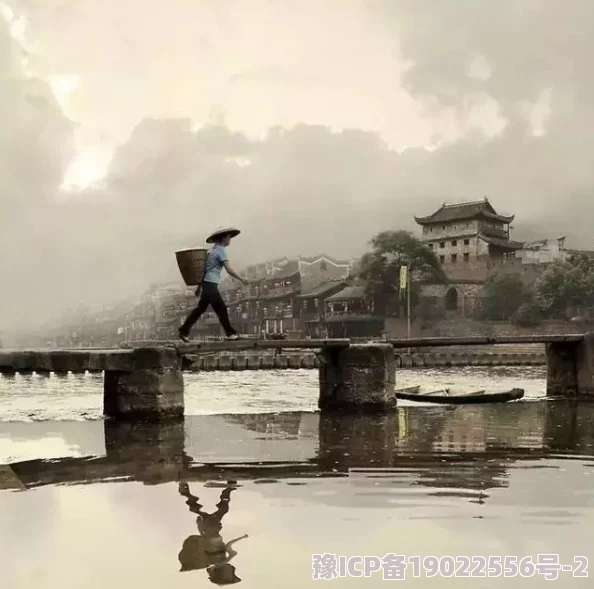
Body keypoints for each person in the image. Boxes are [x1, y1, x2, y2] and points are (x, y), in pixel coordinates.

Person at [179, 227, 248, 342]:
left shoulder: (210, 251)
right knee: (221, 308)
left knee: (200, 309)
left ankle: (183, 330)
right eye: (228, 237)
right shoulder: (221, 250)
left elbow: (204, 271)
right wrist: (241, 279)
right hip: (211, 285)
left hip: (207, 284)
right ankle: (230, 333)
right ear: (223, 238)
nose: (230, 239)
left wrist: (199, 287)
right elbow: (229, 269)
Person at [178, 481, 248, 585]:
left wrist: (232, 555)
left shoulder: (220, 562)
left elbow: (206, 543)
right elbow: (227, 545)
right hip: (212, 530)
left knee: (221, 509)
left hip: (211, 530)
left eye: (231, 574)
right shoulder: (218, 560)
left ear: (224, 574)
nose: (233, 571)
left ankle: (228, 488)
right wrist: (241, 538)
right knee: (213, 510)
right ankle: (186, 493)